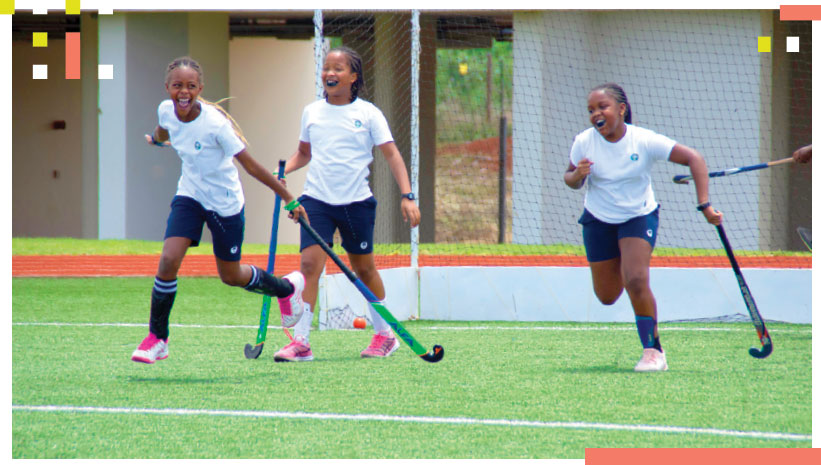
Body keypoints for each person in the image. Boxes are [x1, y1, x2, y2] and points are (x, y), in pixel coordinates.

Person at [131, 56, 308, 364]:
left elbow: (252, 167)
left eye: (190, 86)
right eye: (177, 86)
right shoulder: (165, 109)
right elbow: (163, 130)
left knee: (231, 275)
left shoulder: (216, 124)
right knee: (169, 259)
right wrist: (156, 141)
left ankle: (286, 288)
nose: (183, 92)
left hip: (225, 203)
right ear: (167, 88)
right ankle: (157, 338)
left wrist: (289, 198)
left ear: (200, 88)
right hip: (190, 195)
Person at [274, 46, 421, 362]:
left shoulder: (368, 113)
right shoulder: (311, 112)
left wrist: (408, 196)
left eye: (338, 68)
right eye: (327, 67)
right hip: (316, 201)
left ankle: (385, 335)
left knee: (364, 269)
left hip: (356, 203)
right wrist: (281, 172)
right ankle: (301, 342)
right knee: (310, 266)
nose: (330, 73)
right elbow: (305, 153)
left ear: (353, 77)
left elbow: (392, 154)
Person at [564, 83, 723, 372]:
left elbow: (694, 158)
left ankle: (653, 351)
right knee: (607, 296)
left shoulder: (643, 140)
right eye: (591, 110)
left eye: (603, 107)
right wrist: (578, 175)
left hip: (638, 216)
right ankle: (647, 335)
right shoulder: (584, 141)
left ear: (621, 109)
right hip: (598, 219)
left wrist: (704, 205)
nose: (595, 114)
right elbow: (570, 179)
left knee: (635, 279)